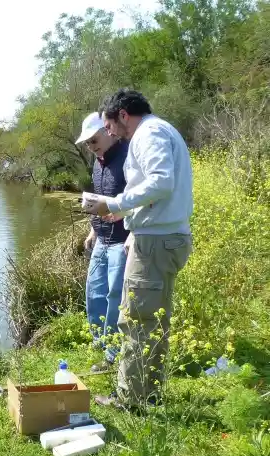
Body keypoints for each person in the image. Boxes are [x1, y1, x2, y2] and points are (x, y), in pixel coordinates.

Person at [86, 89, 193, 408]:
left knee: (137, 319)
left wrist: (115, 203)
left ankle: (133, 399)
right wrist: (130, 215)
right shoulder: (156, 131)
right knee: (147, 318)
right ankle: (145, 393)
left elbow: (161, 182)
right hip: (158, 236)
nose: (109, 133)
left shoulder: (150, 132)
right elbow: (158, 191)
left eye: (108, 126)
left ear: (123, 115)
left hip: (157, 241)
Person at [74, 112, 129, 372]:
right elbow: (96, 199)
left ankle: (113, 354)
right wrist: (92, 231)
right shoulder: (98, 163)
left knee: (115, 297)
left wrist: (133, 235)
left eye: (93, 139)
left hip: (121, 241)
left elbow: (141, 199)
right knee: (94, 293)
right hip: (101, 240)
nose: (90, 145)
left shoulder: (129, 156)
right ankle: (100, 341)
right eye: (86, 143)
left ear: (107, 132)